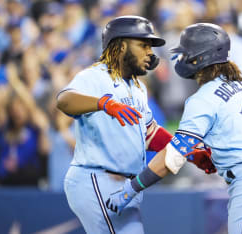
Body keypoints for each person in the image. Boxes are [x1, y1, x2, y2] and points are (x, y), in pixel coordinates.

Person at [107, 23, 242, 234]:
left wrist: (129, 190)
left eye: (188, 53)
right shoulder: (240, 83)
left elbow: (170, 159)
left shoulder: (203, 98)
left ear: (202, 56)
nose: (183, 58)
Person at [56, 15, 214, 234]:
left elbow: (149, 134)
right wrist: (104, 104)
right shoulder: (96, 75)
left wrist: (190, 153)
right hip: (97, 179)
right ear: (121, 46)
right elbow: (64, 101)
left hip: (123, 185)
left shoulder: (138, 87)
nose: (150, 52)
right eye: (143, 45)